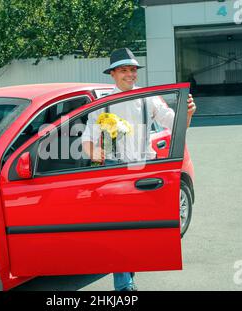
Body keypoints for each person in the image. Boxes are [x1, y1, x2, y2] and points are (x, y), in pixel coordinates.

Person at [81, 48, 196, 291]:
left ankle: (128, 274)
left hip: (146, 170)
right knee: (118, 231)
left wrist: (188, 114)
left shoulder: (149, 98)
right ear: (113, 74)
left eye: (133, 70)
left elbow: (176, 125)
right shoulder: (102, 104)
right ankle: (124, 286)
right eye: (124, 70)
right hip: (114, 171)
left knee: (138, 231)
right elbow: (87, 139)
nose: (130, 75)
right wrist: (93, 152)